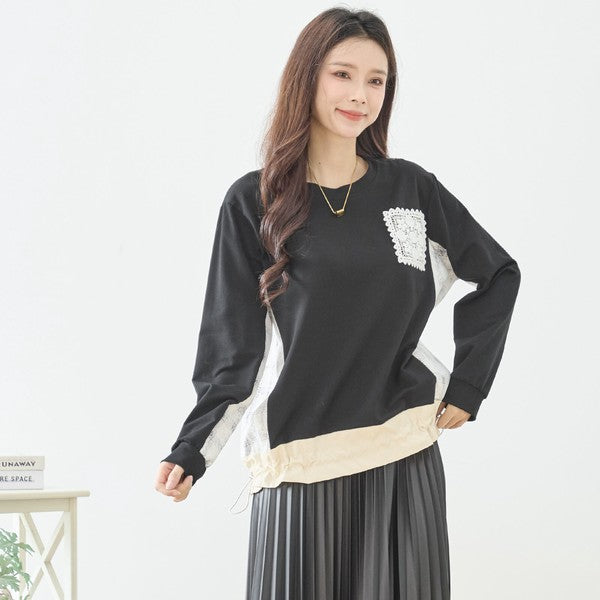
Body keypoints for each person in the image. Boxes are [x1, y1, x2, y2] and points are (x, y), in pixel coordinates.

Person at [154, 7, 521, 599]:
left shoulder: (410, 189)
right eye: (342, 74)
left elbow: (498, 273)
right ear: (308, 78)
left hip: (405, 452)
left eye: (377, 81)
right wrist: (192, 449)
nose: (360, 95)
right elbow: (233, 349)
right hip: (301, 462)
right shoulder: (256, 202)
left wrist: (469, 385)